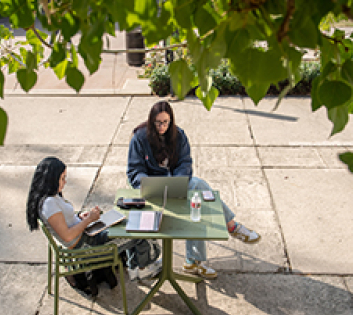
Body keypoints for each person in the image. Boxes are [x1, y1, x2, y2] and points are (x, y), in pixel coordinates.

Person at [126, 100, 261, 279]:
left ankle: (196, 259)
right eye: (158, 122)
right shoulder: (139, 138)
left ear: (171, 121)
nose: (162, 126)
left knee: (197, 190)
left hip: (176, 182)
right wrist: (150, 184)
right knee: (195, 194)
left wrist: (178, 182)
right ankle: (230, 227)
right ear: (151, 121)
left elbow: (185, 163)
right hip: (151, 187)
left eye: (166, 122)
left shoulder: (178, 135)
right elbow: (134, 171)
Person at [26, 157, 162, 281]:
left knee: (125, 222)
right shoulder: (49, 204)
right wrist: (88, 220)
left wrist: (80, 217)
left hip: (87, 235)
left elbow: (63, 221)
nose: (65, 182)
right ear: (51, 179)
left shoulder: (50, 198)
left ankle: (136, 266)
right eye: (62, 178)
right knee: (141, 232)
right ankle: (144, 267)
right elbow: (67, 236)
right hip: (87, 247)